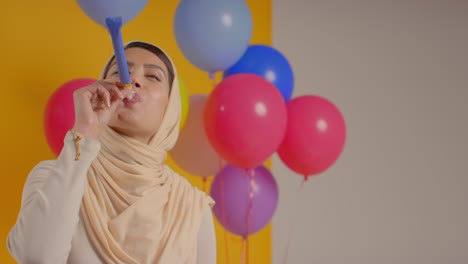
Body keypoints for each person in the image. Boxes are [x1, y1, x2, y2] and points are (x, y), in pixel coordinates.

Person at [7, 41, 217, 264]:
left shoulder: (191, 207)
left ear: (171, 107)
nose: (132, 80)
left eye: (153, 77)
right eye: (120, 72)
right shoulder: (53, 176)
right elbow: (37, 257)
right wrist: (84, 132)